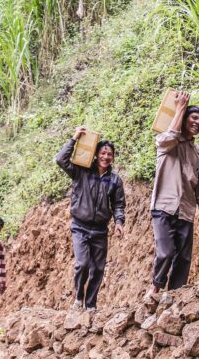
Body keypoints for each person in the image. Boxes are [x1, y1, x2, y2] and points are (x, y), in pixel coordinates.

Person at [145, 91, 199, 302]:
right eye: (194, 118)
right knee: (165, 252)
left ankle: (174, 296)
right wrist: (180, 108)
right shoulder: (166, 142)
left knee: (183, 258)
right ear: (184, 119)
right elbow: (169, 137)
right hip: (164, 207)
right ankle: (155, 287)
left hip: (186, 209)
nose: (197, 123)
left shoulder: (198, 153)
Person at [55, 127, 126, 311]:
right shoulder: (82, 172)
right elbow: (60, 159)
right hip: (80, 226)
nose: (106, 157)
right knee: (82, 264)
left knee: (98, 269)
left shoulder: (115, 180)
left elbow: (118, 204)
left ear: (113, 157)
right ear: (95, 155)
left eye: (109, 154)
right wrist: (74, 138)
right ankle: (78, 297)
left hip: (101, 230)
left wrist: (119, 222)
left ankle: (91, 304)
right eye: (102, 153)